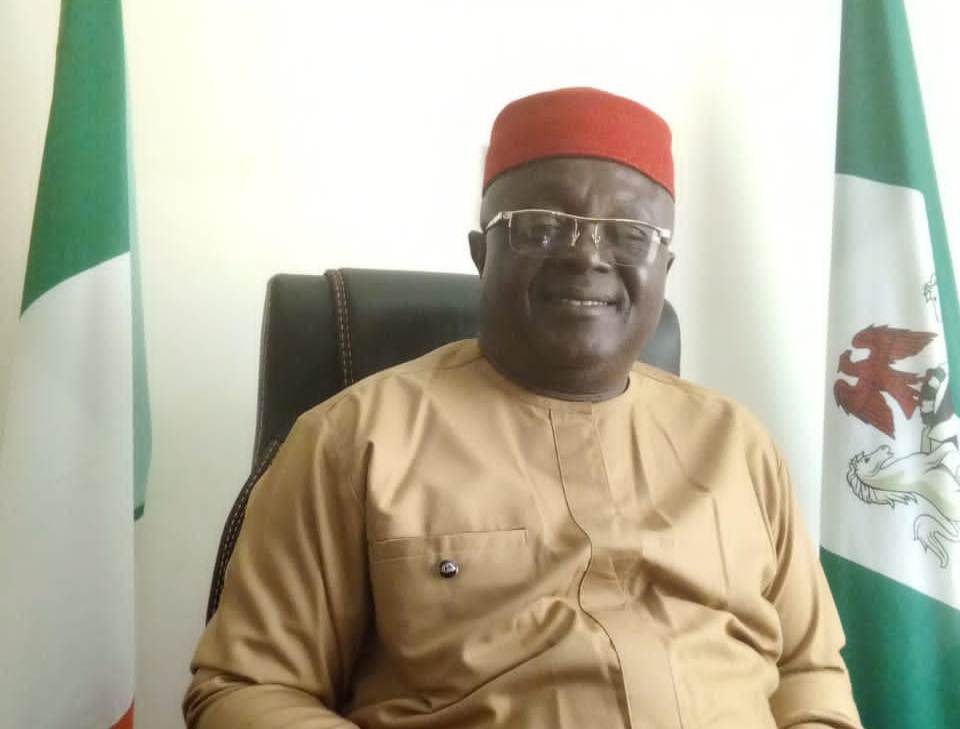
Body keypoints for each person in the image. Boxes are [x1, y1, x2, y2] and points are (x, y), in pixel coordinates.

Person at [184, 87, 863, 728]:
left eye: (629, 234)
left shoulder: (738, 446)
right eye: (542, 227)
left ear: (665, 267)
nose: (586, 257)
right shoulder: (353, 441)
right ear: (482, 253)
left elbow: (809, 674)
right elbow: (243, 689)